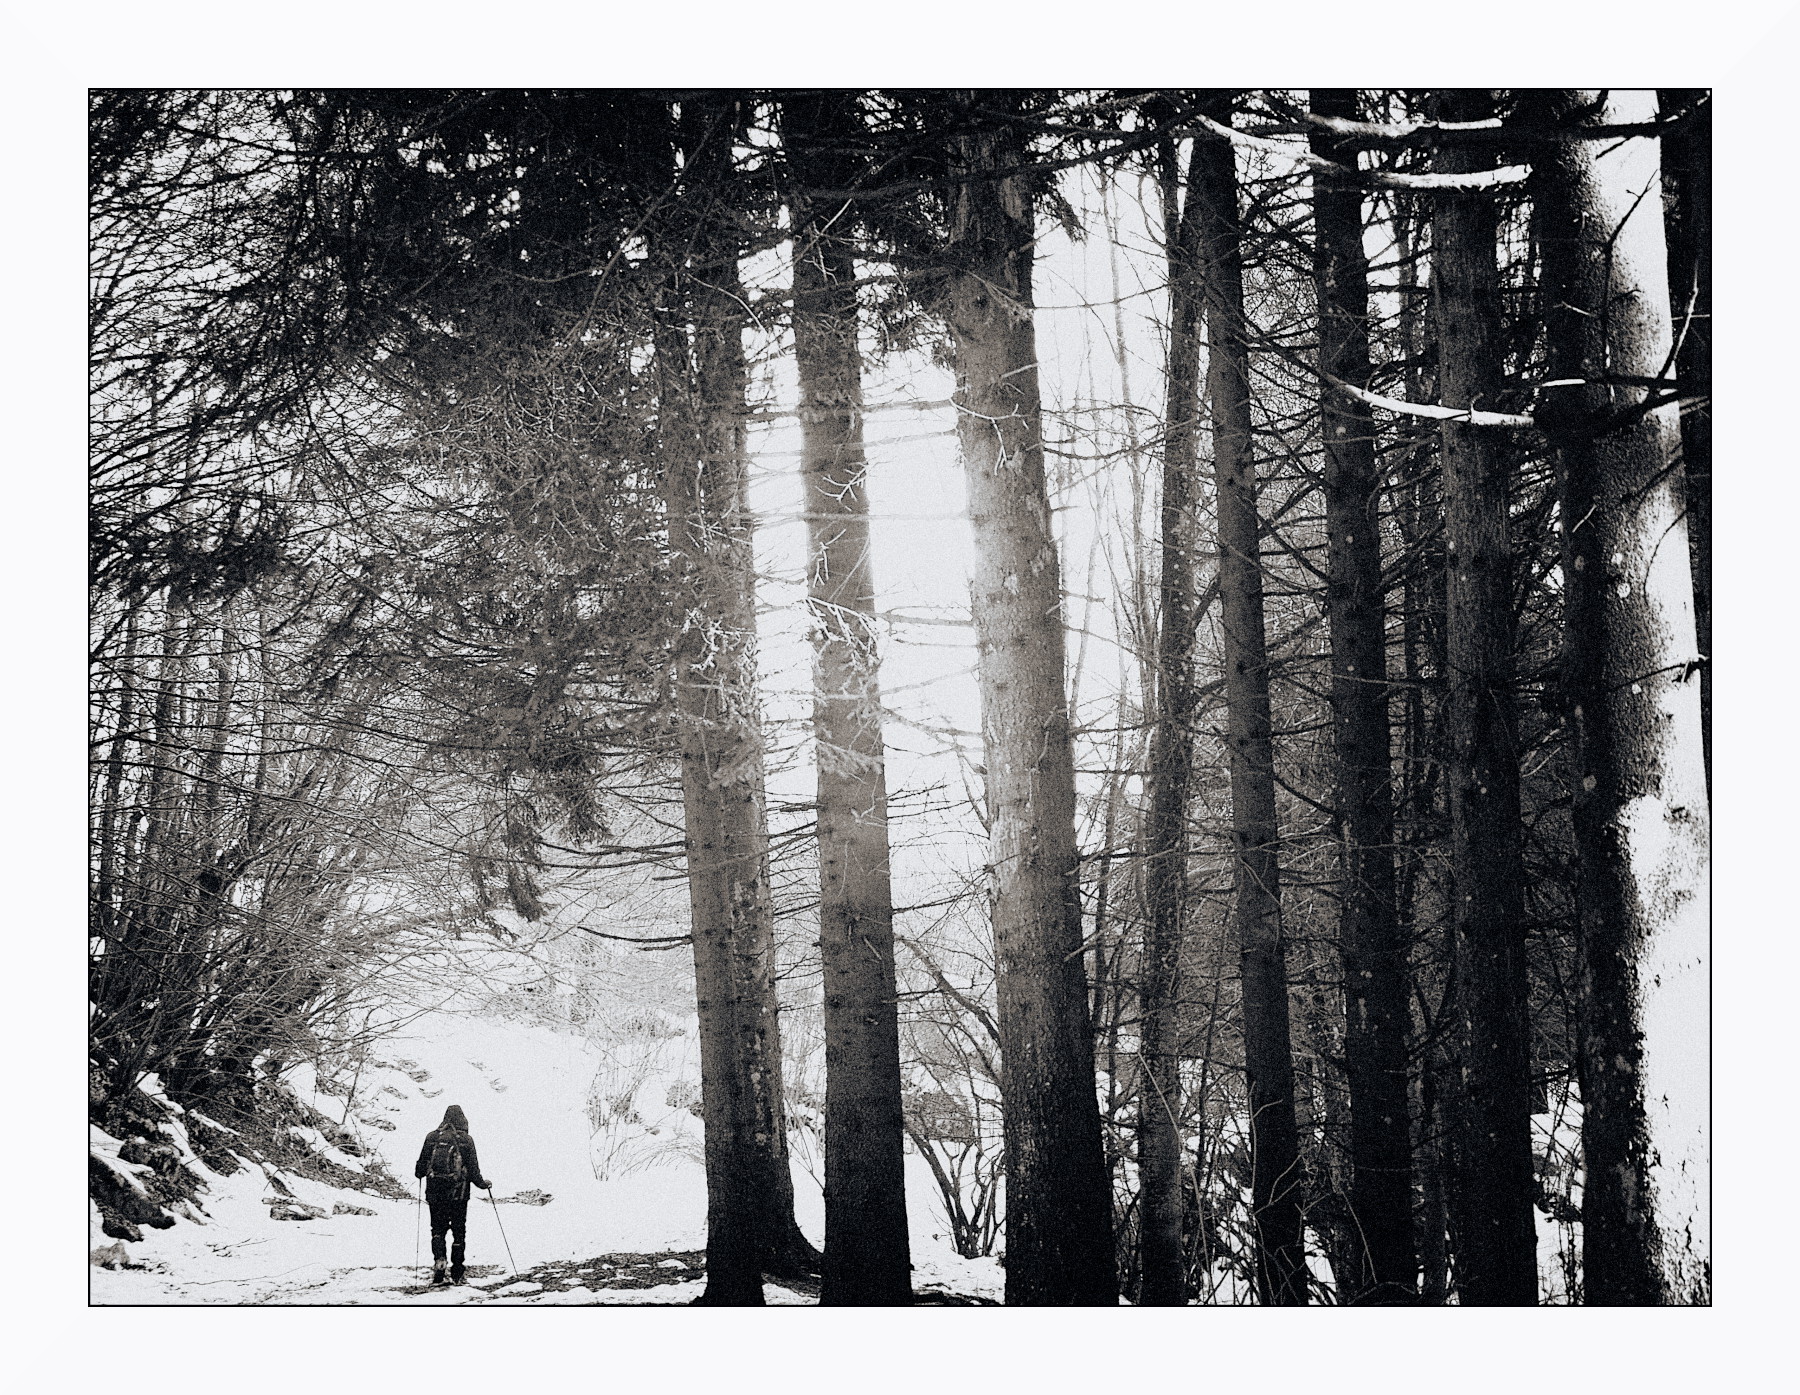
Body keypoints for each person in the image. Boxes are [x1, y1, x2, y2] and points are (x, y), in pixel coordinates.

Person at [414, 1104, 493, 1285]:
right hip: (459, 1195)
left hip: (434, 1194)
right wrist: (483, 1184)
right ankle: (457, 1271)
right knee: (459, 1231)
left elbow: (419, 1169)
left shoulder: (432, 1137)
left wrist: (424, 1173)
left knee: (437, 1230)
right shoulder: (466, 1140)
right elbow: (473, 1171)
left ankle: (440, 1264)